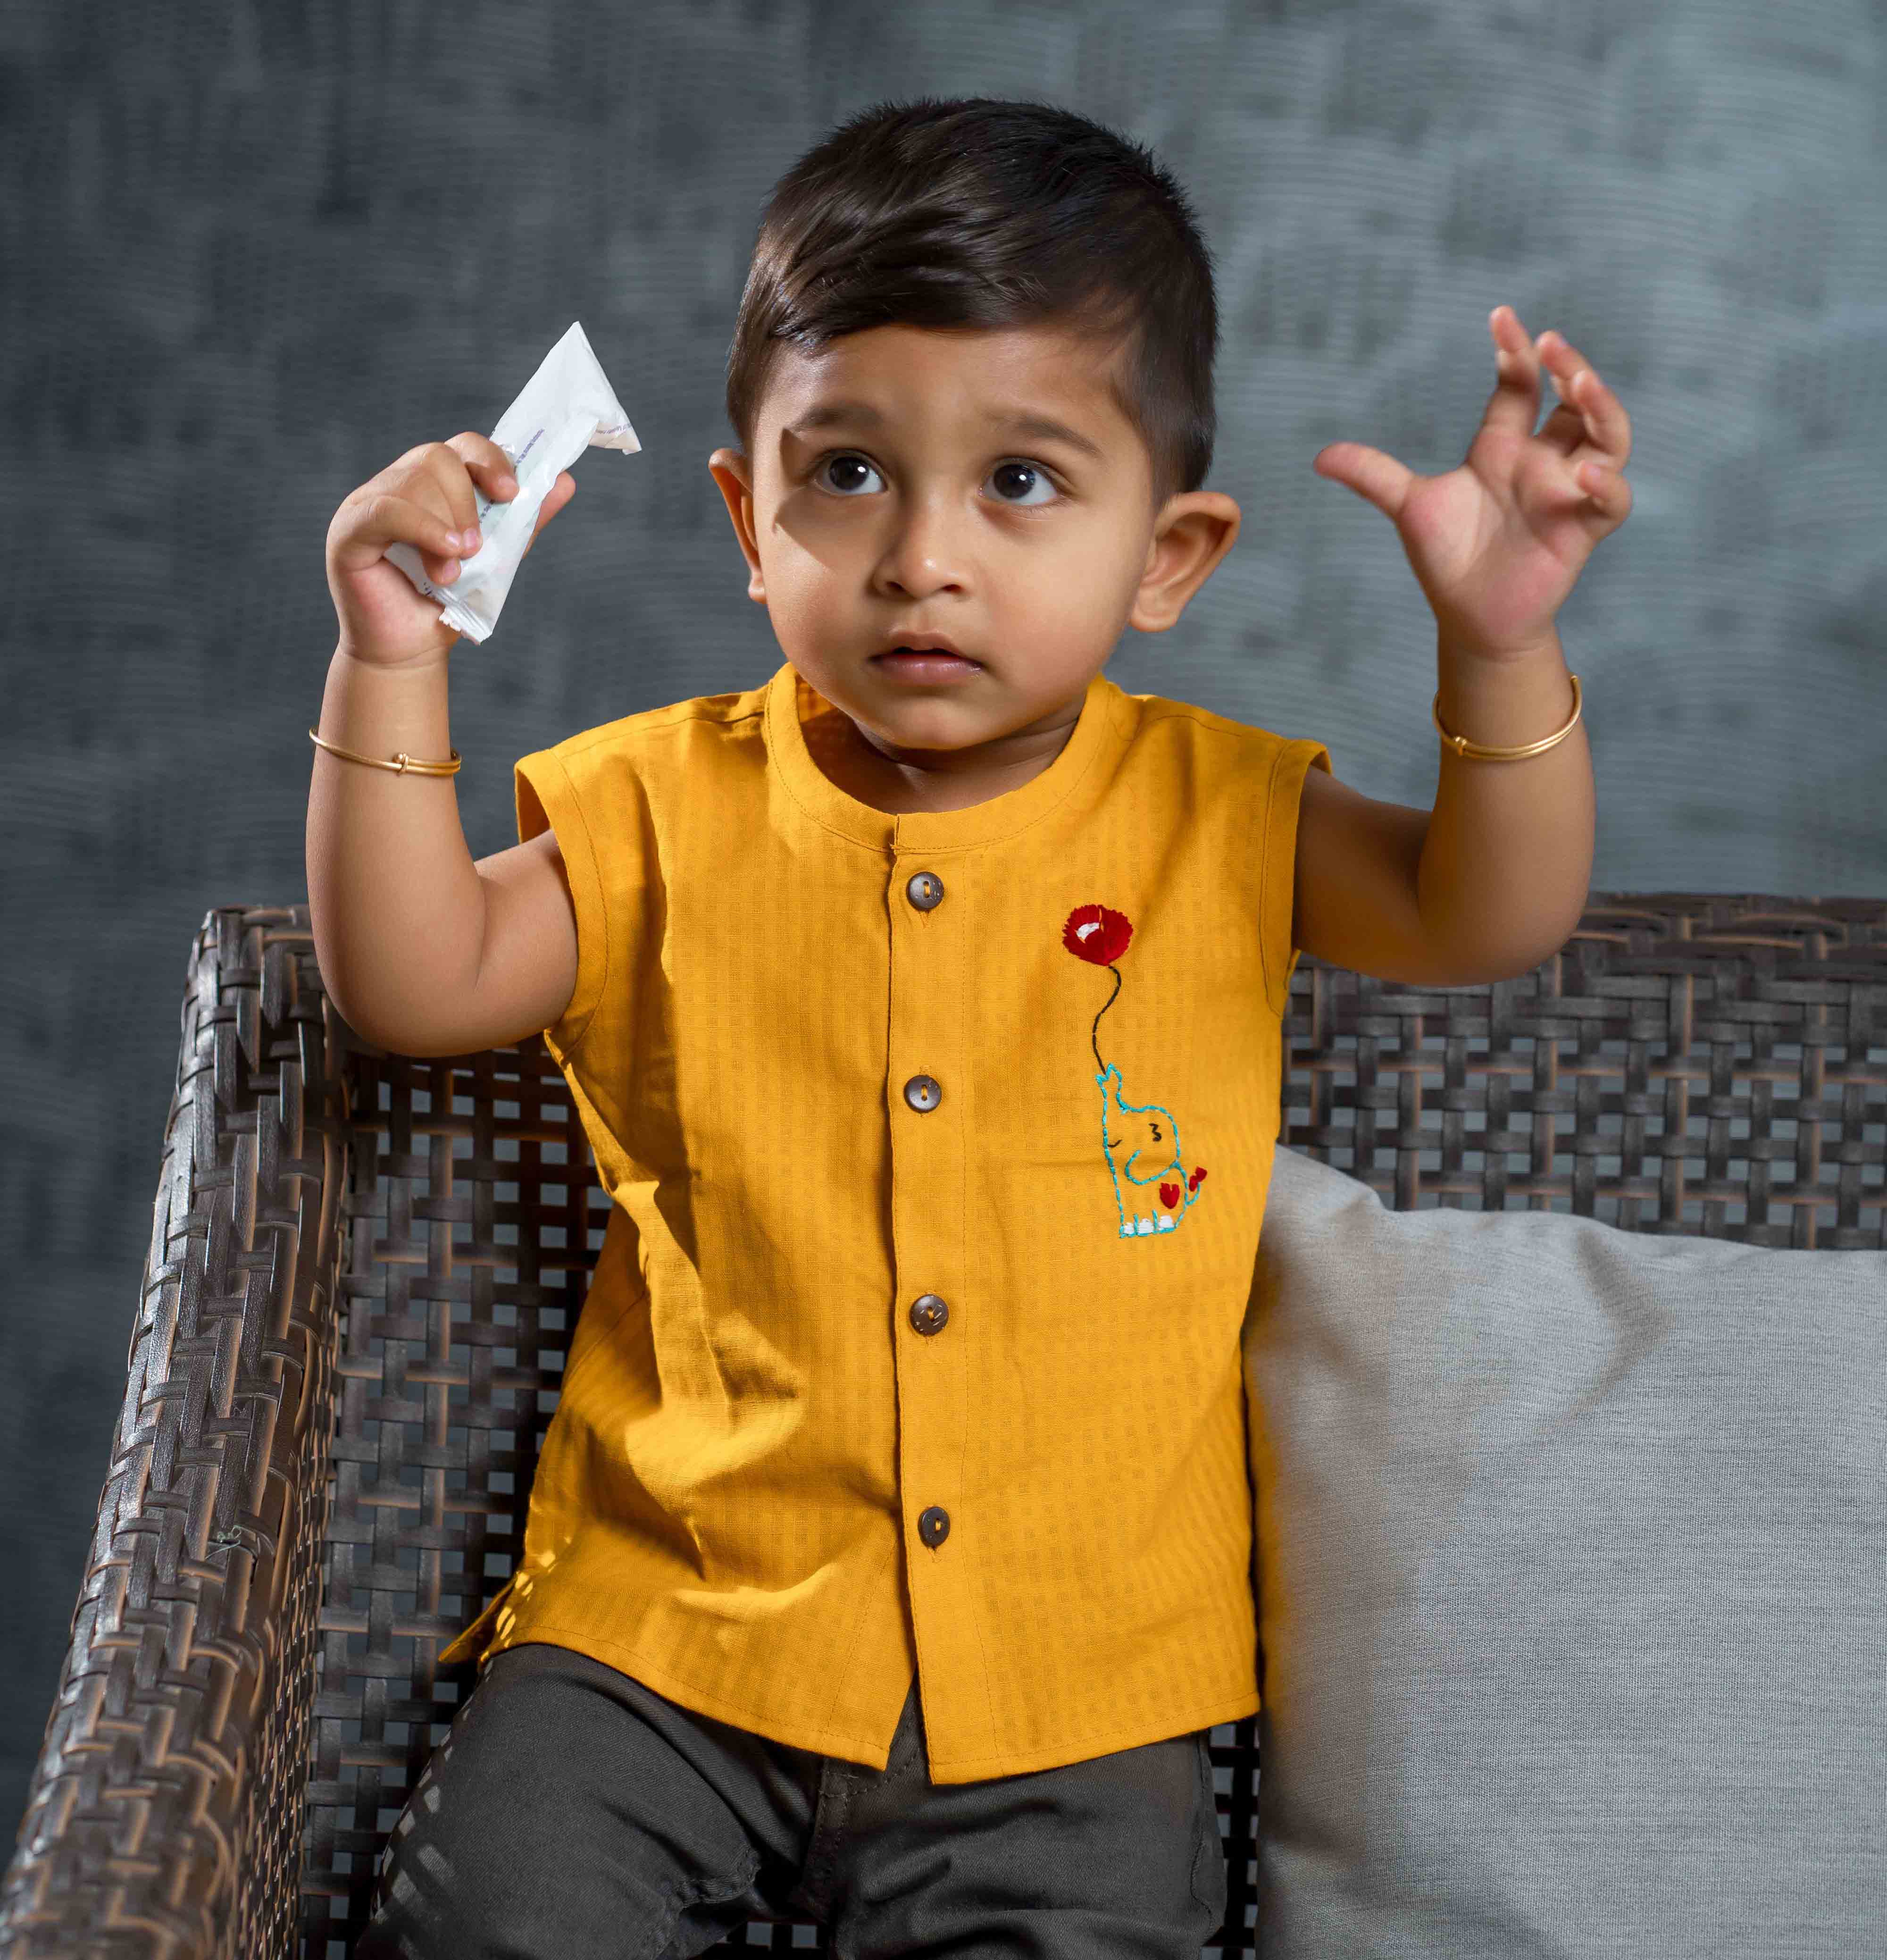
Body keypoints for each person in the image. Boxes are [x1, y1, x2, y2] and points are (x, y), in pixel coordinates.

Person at [309, 95, 1631, 1960]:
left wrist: (1495, 649)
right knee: (492, 1921)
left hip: (1075, 1686)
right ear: (741, 517)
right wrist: (390, 660)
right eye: (844, 474)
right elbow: (411, 977)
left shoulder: (1220, 811)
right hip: (665, 1633)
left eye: (1019, 483)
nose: (921, 554)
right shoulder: (656, 803)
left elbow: (1486, 913)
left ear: (1166, 554)